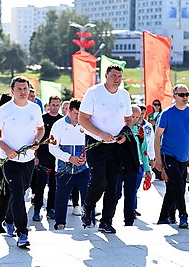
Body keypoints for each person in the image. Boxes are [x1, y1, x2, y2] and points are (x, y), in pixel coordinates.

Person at [0, 76, 44, 248]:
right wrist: (6, 149)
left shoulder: (35, 109)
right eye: (19, 89)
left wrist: (36, 141)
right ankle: (23, 233)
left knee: (20, 192)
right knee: (19, 194)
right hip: (10, 160)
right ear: (12, 91)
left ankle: (9, 218)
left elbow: (41, 129)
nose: (22, 92)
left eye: (25, 88)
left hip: (28, 159)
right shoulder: (5, 110)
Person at [79, 64, 132, 233]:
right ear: (106, 76)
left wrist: (125, 133)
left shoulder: (124, 95)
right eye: (114, 76)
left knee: (113, 186)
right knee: (99, 181)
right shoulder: (94, 92)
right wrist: (100, 134)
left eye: (119, 76)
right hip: (96, 144)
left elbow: (129, 119)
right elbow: (82, 119)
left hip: (116, 145)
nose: (117, 79)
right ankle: (88, 206)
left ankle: (106, 221)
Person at [155, 84, 189, 228]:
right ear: (174, 96)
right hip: (168, 154)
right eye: (181, 95)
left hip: (183, 157)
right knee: (178, 183)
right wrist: (158, 159)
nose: (185, 97)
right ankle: (183, 214)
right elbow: (157, 136)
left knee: (173, 187)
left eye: (187, 94)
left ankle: (165, 217)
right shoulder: (166, 113)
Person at [49, 98, 89, 230]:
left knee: (88, 195)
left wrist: (86, 158)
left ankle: (89, 221)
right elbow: (52, 148)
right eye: (75, 114)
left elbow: (92, 144)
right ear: (69, 111)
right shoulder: (58, 125)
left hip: (83, 168)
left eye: (80, 114)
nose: (78, 117)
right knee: (61, 196)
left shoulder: (86, 125)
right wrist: (68, 158)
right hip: (63, 169)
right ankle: (60, 223)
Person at [116, 105, 151, 226]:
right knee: (115, 194)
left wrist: (147, 168)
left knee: (131, 194)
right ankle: (108, 218)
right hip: (120, 166)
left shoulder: (140, 131)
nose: (135, 119)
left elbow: (144, 150)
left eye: (138, 116)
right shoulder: (120, 129)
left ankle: (129, 220)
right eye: (132, 116)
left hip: (136, 166)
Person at [33, 95, 62, 221]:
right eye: (53, 105)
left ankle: (51, 209)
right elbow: (34, 137)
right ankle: (37, 209)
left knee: (54, 185)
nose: (55, 108)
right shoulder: (42, 119)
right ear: (48, 105)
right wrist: (35, 156)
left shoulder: (62, 120)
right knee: (40, 185)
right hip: (42, 155)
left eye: (57, 105)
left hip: (56, 156)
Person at [134, 104, 155, 217]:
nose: (140, 116)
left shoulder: (147, 127)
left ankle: (133, 207)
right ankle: (131, 207)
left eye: (142, 114)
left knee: (135, 187)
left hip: (143, 158)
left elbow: (150, 143)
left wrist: (152, 158)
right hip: (133, 160)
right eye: (138, 114)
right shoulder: (132, 127)